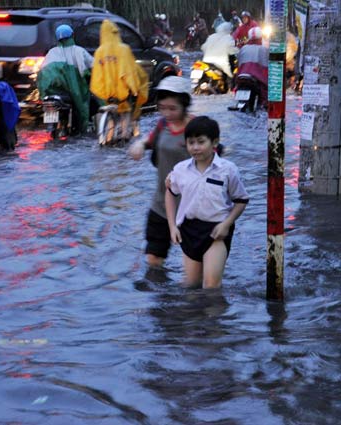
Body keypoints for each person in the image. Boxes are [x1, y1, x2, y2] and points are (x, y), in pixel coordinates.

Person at [165, 116, 249, 289]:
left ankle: (215, 315)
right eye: (191, 142)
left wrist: (227, 224)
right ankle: (194, 316)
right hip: (188, 230)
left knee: (211, 286)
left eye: (201, 142)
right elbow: (170, 193)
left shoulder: (228, 170)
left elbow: (241, 200)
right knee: (191, 285)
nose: (195, 147)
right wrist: (172, 226)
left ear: (214, 142)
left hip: (216, 231)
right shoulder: (180, 170)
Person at [128, 76, 193, 268]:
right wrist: (139, 145)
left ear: (185, 105)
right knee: (153, 260)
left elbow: (213, 159)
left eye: (173, 109)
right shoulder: (163, 125)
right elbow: (148, 142)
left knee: (192, 267)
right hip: (161, 205)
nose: (167, 113)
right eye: (162, 108)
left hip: (191, 208)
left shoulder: (196, 128)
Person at [90, 19, 148, 140]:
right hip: (122, 95)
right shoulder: (123, 49)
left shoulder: (99, 52)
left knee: (111, 122)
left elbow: (96, 76)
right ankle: (125, 136)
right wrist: (135, 88)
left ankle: (108, 136)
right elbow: (128, 72)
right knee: (126, 114)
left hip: (106, 95)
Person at [37, 24, 94, 133]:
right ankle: (80, 130)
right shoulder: (79, 51)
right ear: (72, 35)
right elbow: (91, 67)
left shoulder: (52, 52)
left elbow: (42, 74)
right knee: (82, 106)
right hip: (72, 93)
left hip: (51, 93)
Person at [236, 27, 269, 108]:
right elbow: (267, 66)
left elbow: (238, 63)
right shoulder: (264, 49)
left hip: (241, 77)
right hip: (257, 78)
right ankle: (262, 105)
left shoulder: (243, 48)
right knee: (265, 92)